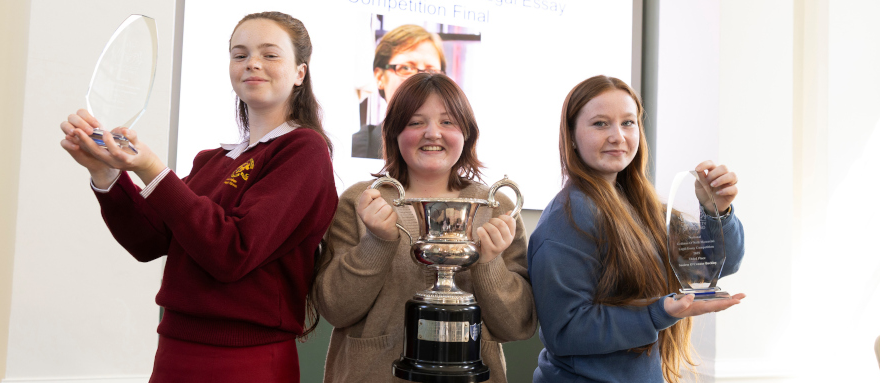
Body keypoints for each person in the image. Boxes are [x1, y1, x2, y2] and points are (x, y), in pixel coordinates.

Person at [58, 11, 337, 383]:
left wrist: (152, 168)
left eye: (270, 54)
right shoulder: (213, 161)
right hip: (175, 349)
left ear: (300, 72)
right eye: (240, 55)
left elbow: (231, 251)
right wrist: (105, 172)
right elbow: (148, 240)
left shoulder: (304, 150)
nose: (252, 63)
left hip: (245, 361)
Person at [318, 73, 537, 382]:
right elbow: (335, 309)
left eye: (448, 122)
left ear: (467, 134)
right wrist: (377, 243)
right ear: (394, 132)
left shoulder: (495, 207)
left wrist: (489, 263)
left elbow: (517, 325)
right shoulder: (361, 201)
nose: (432, 133)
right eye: (415, 122)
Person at [527, 75, 746, 383]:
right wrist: (659, 312)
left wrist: (717, 211)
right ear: (572, 136)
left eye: (628, 123)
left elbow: (712, 266)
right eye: (600, 124)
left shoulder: (641, 206)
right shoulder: (569, 217)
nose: (618, 136)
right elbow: (566, 331)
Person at [352, 24, 446, 159]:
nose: (419, 80)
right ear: (380, 77)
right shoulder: (357, 149)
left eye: (431, 71)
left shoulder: (454, 151)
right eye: (406, 68)